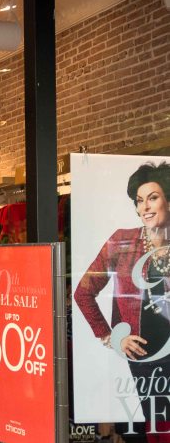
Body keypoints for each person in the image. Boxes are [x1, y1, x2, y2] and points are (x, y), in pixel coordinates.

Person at [74, 161, 170, 422]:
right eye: (139, 201)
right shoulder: (121, 241)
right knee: (159, 424)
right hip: (145, 358)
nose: (144, 207)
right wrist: (111, 337)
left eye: (152, 198)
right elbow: (83, 293)